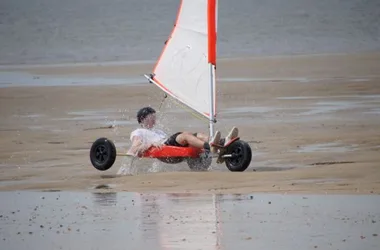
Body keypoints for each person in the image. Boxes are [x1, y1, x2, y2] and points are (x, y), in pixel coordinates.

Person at [126, 106, 238, 157]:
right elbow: (133, 149)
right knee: (185, 135)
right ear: (143, 119)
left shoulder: (158, 131)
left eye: (154, 117)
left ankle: (223, 142)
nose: (155, 119)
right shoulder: (138, 132)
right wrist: (149, 144)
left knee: (198, 135)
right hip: (163, 146)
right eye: (152, 117)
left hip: (167, 142)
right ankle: (210, 146)